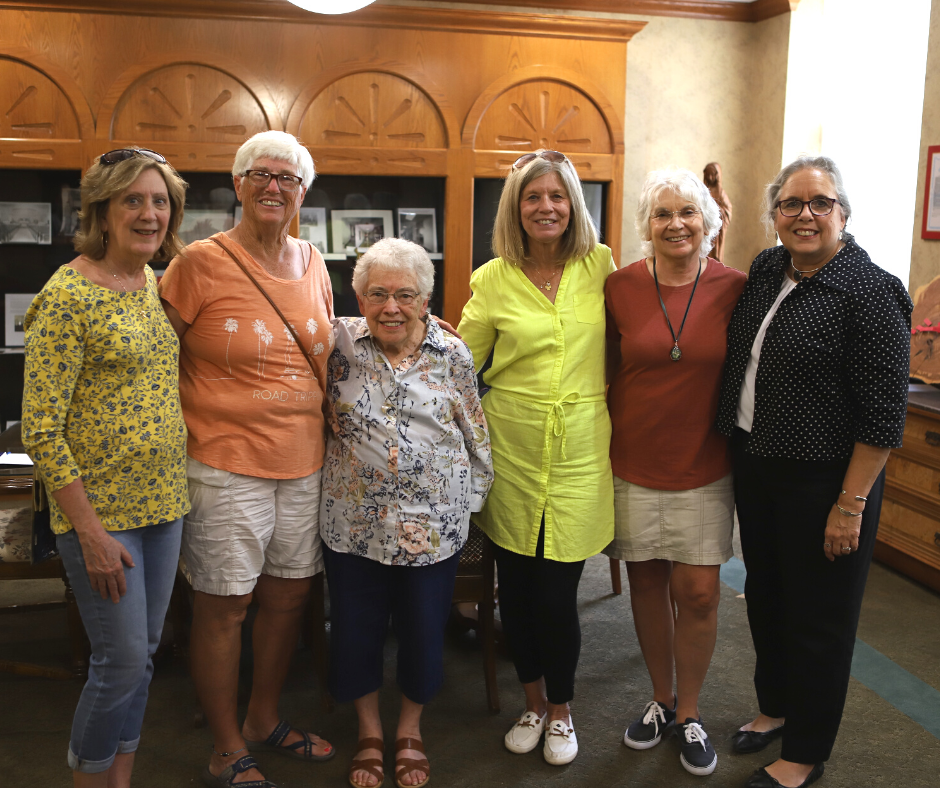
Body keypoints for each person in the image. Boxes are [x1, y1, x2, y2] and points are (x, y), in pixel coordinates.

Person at [716, 155, 912, 788]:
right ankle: (775, 708)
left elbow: (883, 418)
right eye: (790, 204)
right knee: (768, 597)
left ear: (843, 213)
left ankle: (805, 751)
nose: (804, 214)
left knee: (820, 617)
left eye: (819, 203)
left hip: (827, 480)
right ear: (774, 215)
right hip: (759, 463)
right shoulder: (771, 267)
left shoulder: (872, 293)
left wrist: (849, 505)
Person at [159, 131, 335, 788]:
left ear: (303, 193)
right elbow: (156, 360)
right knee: (224, 605)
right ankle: (227, 743)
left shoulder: (315, 261)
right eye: (260, 174)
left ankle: (263, 717)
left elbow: (327, 342)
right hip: (224, 464)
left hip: (306, 463)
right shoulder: (199, 263)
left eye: (287, 178)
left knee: (289, 599)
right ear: (237, 184)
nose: (273, 187)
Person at [21, 147, 190, 788]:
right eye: (132, 201)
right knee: (117, 662)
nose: (148, 214)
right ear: (102, 211)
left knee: (142, 656)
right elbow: (41, 427)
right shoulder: (66, 297)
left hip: (163, 505)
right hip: (103, 517)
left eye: (159, 201)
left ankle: (121, 777)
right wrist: (88, 532)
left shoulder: (150, 281)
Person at [457, 149, 615, 766]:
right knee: (516, 593)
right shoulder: (492, 278)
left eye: (556, 196)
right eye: (532, 197)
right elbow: (460, 364)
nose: (545, 207)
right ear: (515, 209)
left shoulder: (601, 266)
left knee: (557, 595)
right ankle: (530, 700)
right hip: (513, 449)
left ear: (572, 204)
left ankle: (561, 711)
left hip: (579, 447)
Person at [321, 237, 492, 788]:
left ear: (425, 300)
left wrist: (463, 507)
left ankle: (409, 731)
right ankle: (370, 731)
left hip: (432, 528)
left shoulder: (453, 353)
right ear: (358, 296)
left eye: (405, 294)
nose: (390, 306)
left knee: (422, 632)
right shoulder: (336, 345)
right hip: (353, 525)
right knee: (355, 630)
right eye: (377, 294)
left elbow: (475, 436)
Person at [605, 169, 746, 777]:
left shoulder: (737, 287)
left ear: (708, 221)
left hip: (706, 463)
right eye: (661, 214)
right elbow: (602, 369)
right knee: (646, 584)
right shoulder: (619, 287)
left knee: (699, 591)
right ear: (647, 225)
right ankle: (659, 699)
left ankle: (690, 711)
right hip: (633, 459)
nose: (675, 224)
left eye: (687, 212)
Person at [703, 162, 732, 262]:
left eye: (712, 174)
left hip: (718, 230)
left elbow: (728, 208)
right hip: (706, 227)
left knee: (716, 252)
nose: (710, 177)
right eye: (708, 175)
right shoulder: (704, 192)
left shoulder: (720, 192)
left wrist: (718, 211)